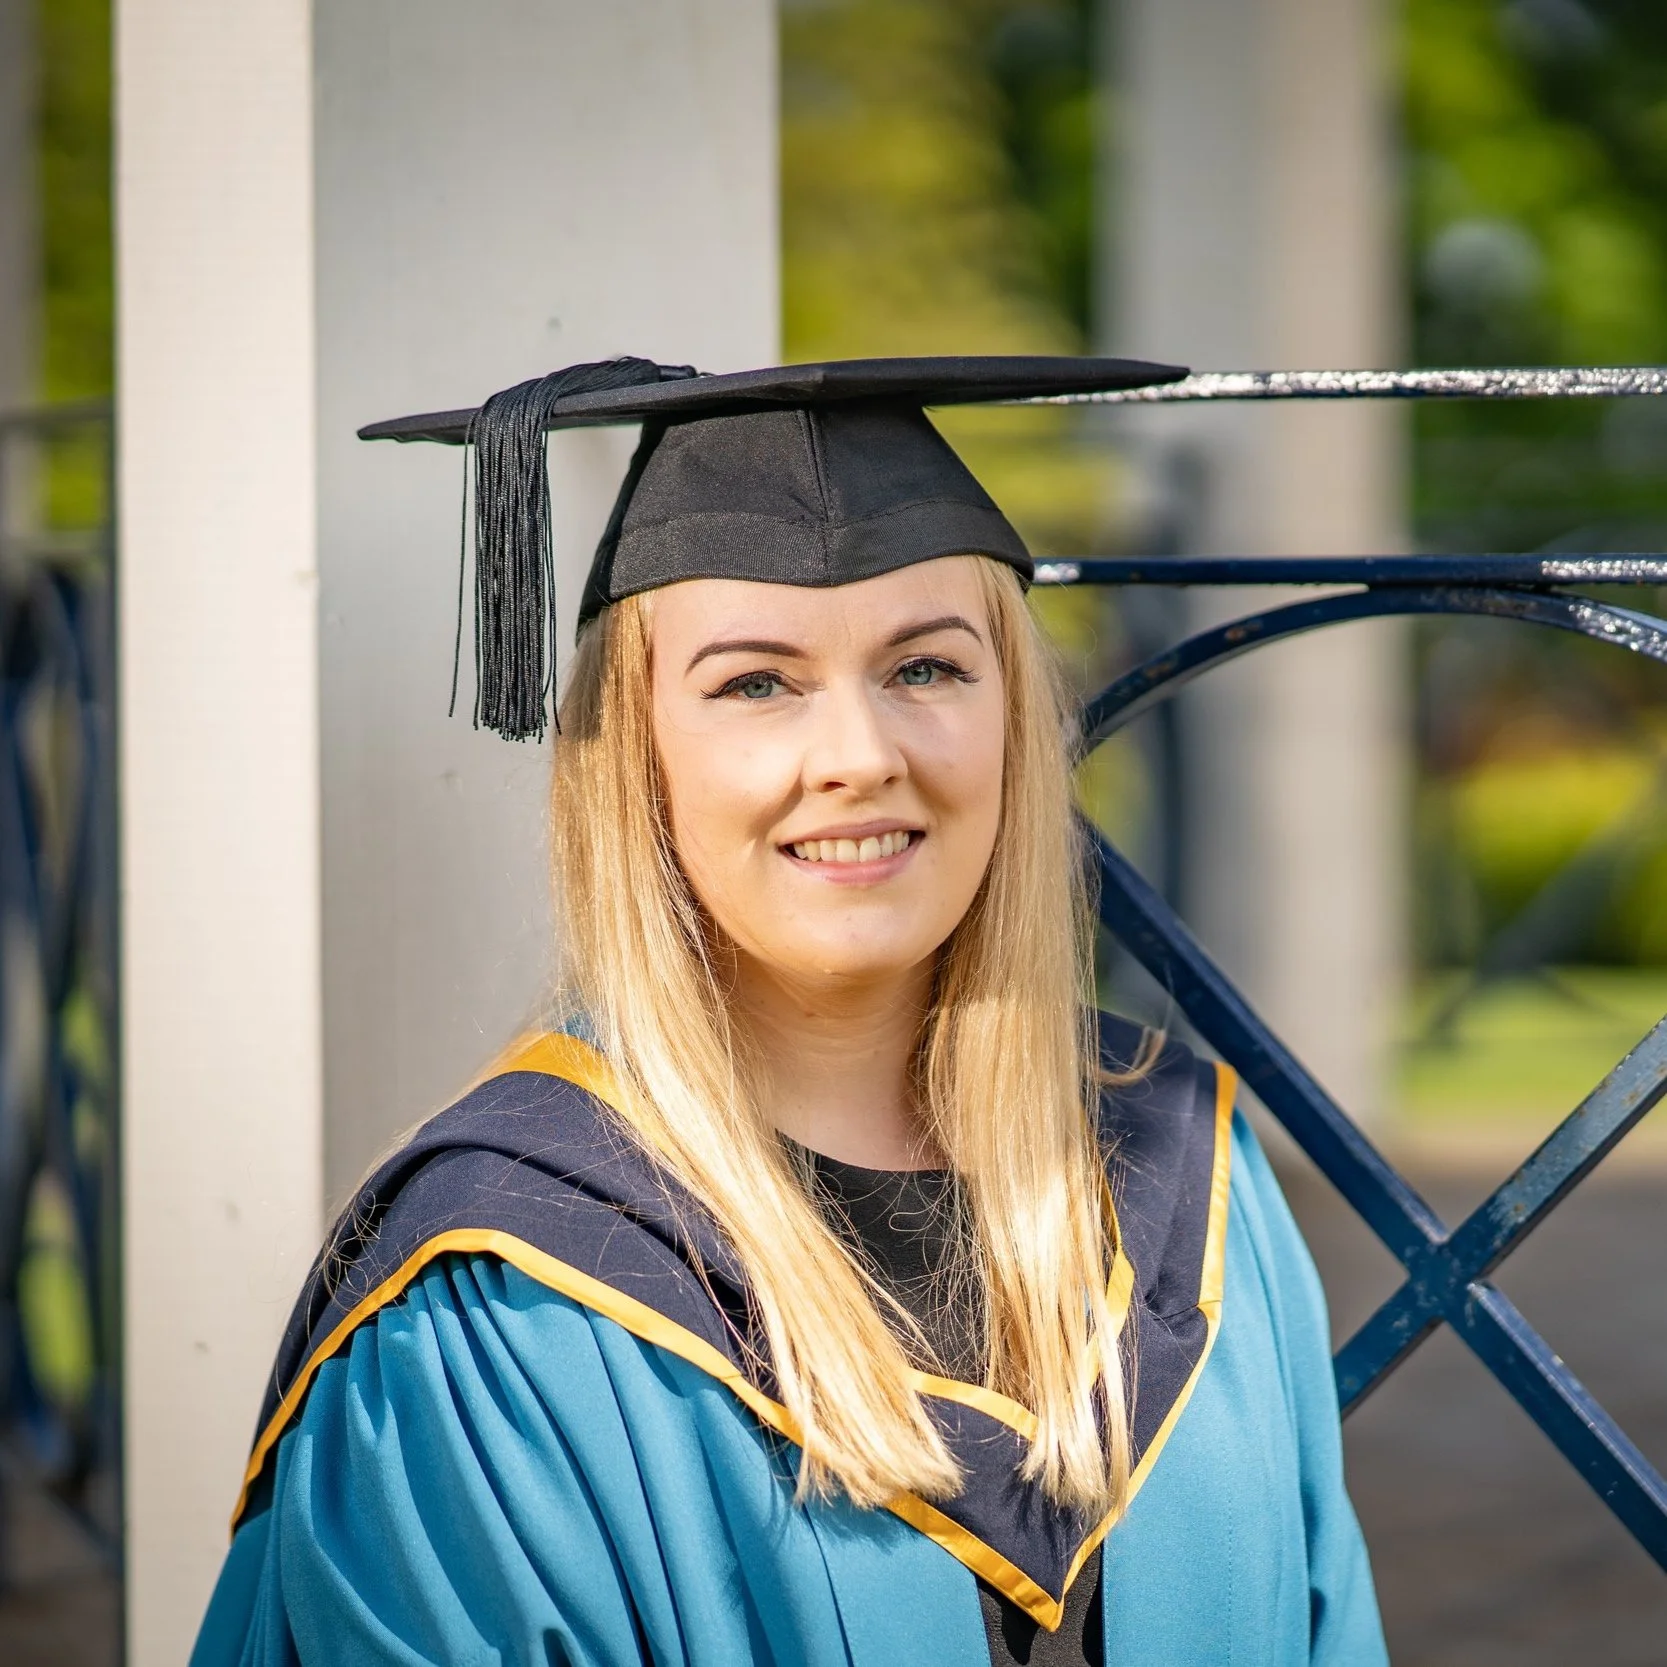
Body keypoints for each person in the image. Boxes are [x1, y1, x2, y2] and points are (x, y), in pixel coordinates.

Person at [191, 356, 1387, 1666]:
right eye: (755, 683)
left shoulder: (1188, 1184)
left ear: (1013, 722)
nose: (860, 752)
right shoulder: (500, 1288)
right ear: (633, 752)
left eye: (925, 667)